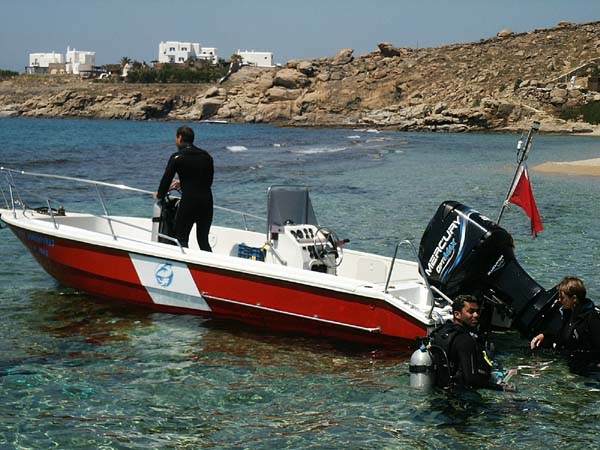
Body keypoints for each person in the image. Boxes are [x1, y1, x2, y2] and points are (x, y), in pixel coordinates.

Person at [429, 294, 510, 391]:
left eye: (477, 311)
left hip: (440, 390)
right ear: (457, 314)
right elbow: (471, 380)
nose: (476, 315)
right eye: (471, 312)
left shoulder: (441, 331)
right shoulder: (464, 340)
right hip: (459, 397)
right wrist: (501, 388)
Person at [153, 126, 214, 251]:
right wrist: (183, 182)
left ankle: (183, 268)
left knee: (181, 239)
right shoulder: (206, 156)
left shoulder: (177, 157)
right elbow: (208, 181)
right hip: (207, 202)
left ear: (180, 138)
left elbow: (166, 180)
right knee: (203, 240)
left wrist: (159, 195)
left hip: (189, 203)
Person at [530, 276, 600, 373]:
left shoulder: (591, 317)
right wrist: (544, 335)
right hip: (569, 360)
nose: (559, 300)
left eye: (562, 297)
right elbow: (562, 335)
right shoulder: (569, 314)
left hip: (585, 367)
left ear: (574, 298)